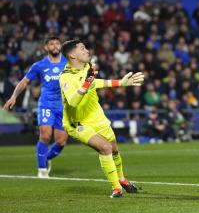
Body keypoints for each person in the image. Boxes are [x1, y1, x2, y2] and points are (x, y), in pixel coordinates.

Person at [59, 40, 144, 198]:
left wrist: (121, 83)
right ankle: (116, 187)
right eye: (82, 48)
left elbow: (94, 83)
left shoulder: (87, 67)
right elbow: (72, 101)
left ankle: (122, 179)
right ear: (72, 55)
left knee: (114, 150)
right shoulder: (66, 77)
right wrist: (87, 82)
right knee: (105, 148)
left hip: (97, 118)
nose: (87, 50)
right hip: (77, 123)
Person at [3, 36, 68, 178]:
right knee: (45, 135)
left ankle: (46, 157)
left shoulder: (69, 63)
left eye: (57, 43)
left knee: (61, 141)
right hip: (46, 104)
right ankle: (42, 169)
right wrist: (14, 97)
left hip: (64, 106)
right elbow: (24, 82)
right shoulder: (39, 65)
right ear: (46, 47)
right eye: (51, 44)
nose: (55, 46)